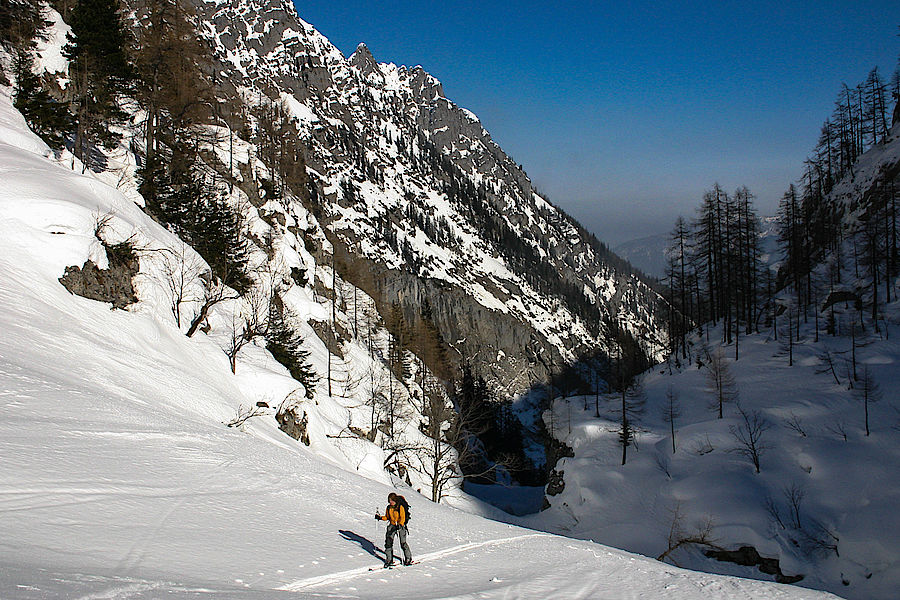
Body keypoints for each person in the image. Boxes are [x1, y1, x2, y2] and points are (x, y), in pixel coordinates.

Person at [375, 492, 412, 567]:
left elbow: (402, 517)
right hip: (392, 525)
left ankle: (408, 558)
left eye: (392, 500)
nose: (390, 502)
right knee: (388, 542)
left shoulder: (400, 507)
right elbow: (387, 517)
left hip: (400, 526)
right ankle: (389, 559)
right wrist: (380, 518)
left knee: (403, 543)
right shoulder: (389, 507)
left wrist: (400, 524)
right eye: (389, 500)